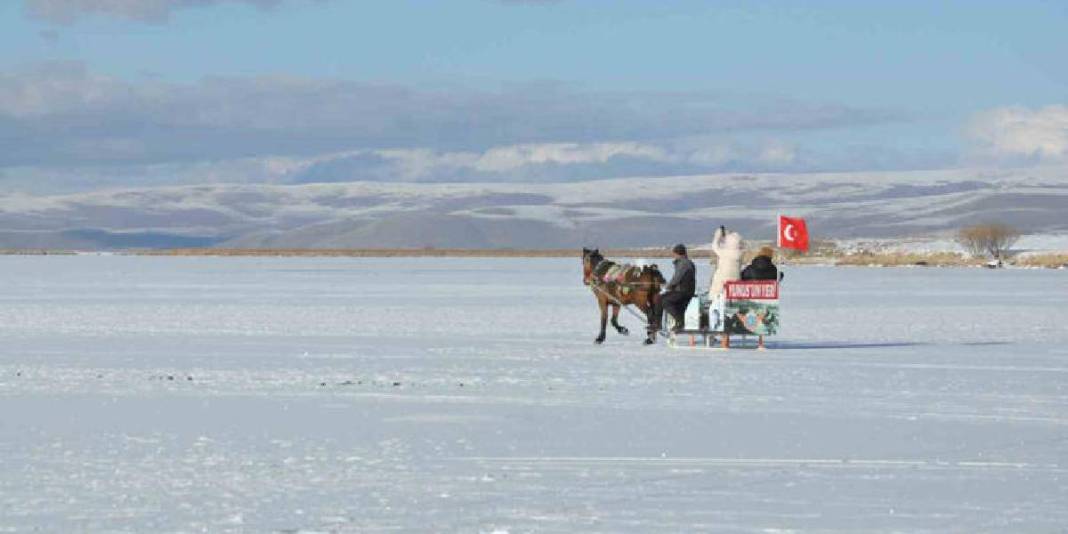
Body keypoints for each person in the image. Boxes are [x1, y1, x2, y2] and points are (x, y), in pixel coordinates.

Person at [647, 243, 695, 343]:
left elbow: (676, 278)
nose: (674, 256)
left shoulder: (684, 263)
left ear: (678, 254)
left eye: (674, 254)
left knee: (665, 301)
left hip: (684, 291)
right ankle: (657, 323)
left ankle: (680, 321)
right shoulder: (683, 263)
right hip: (681, 290)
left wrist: (668, 287)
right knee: (660, 297)